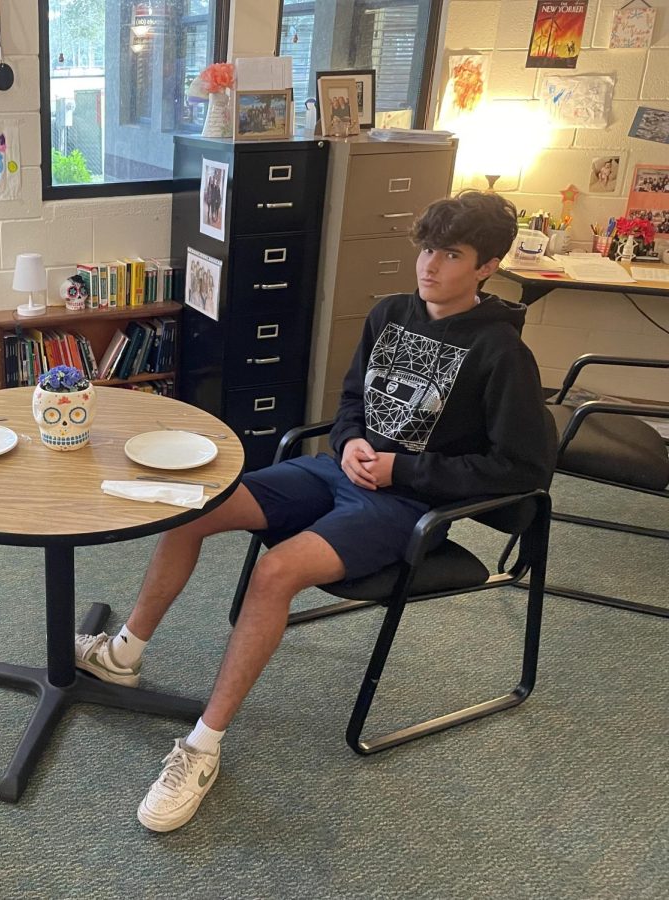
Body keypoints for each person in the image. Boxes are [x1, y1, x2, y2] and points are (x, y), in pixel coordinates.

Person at [74, 190, 556, 833]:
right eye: (426, 248)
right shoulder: (390, 314)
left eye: (451, 254)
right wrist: (353, 439)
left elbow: (524, 470)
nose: (430, 265)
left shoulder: (501, 352)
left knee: (276, 573)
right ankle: (123, 655)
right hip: (337, 469)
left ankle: (201, 748)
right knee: (194, 508)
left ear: (487, 265)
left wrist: (401, 469)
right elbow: (354, 399)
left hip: (407, 503)